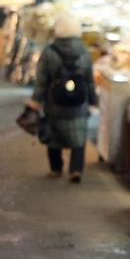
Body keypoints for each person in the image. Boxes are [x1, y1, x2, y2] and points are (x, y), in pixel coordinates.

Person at [28, 13, 96, 182]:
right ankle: (76, 170)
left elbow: (41, 80)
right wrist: (93, 100)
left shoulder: (49, 52)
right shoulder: (84, 52)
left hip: (55, 101)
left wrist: (36, 100)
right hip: (79, 102)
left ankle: (56, 168)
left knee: (54, 135)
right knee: (79, 135)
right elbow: (89, 80)